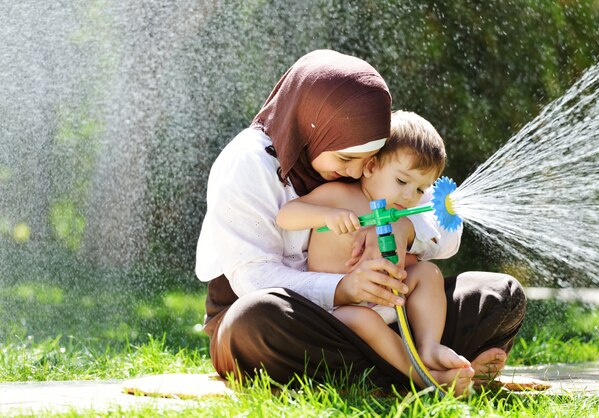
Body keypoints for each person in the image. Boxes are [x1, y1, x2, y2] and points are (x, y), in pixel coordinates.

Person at [195, 49, 527, 392]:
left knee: (501, 296)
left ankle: (415, 365)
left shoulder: (376, 155)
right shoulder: (247, 163)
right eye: (346, 158)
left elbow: (444, 225)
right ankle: (424, 374)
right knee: (254, 321)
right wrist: (344, 289)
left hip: (389, 314)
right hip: (302, 323)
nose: (358, 171)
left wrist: (406, 229)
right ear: (317, 127)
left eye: (368, 160)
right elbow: (254, 278)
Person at [276, 110, 474, 395]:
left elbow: (417, 253)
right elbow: (286, 215)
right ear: (370, 167)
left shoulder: (401, 217)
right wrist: (326, 217)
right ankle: (419, 375)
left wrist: (406, 254)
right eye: (402, 182)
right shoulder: (338, 196)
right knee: (364, 319)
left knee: (429, 273)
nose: (409, 196)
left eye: (420, 189)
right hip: (339, 312)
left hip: (387, 303)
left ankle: (429, 345)